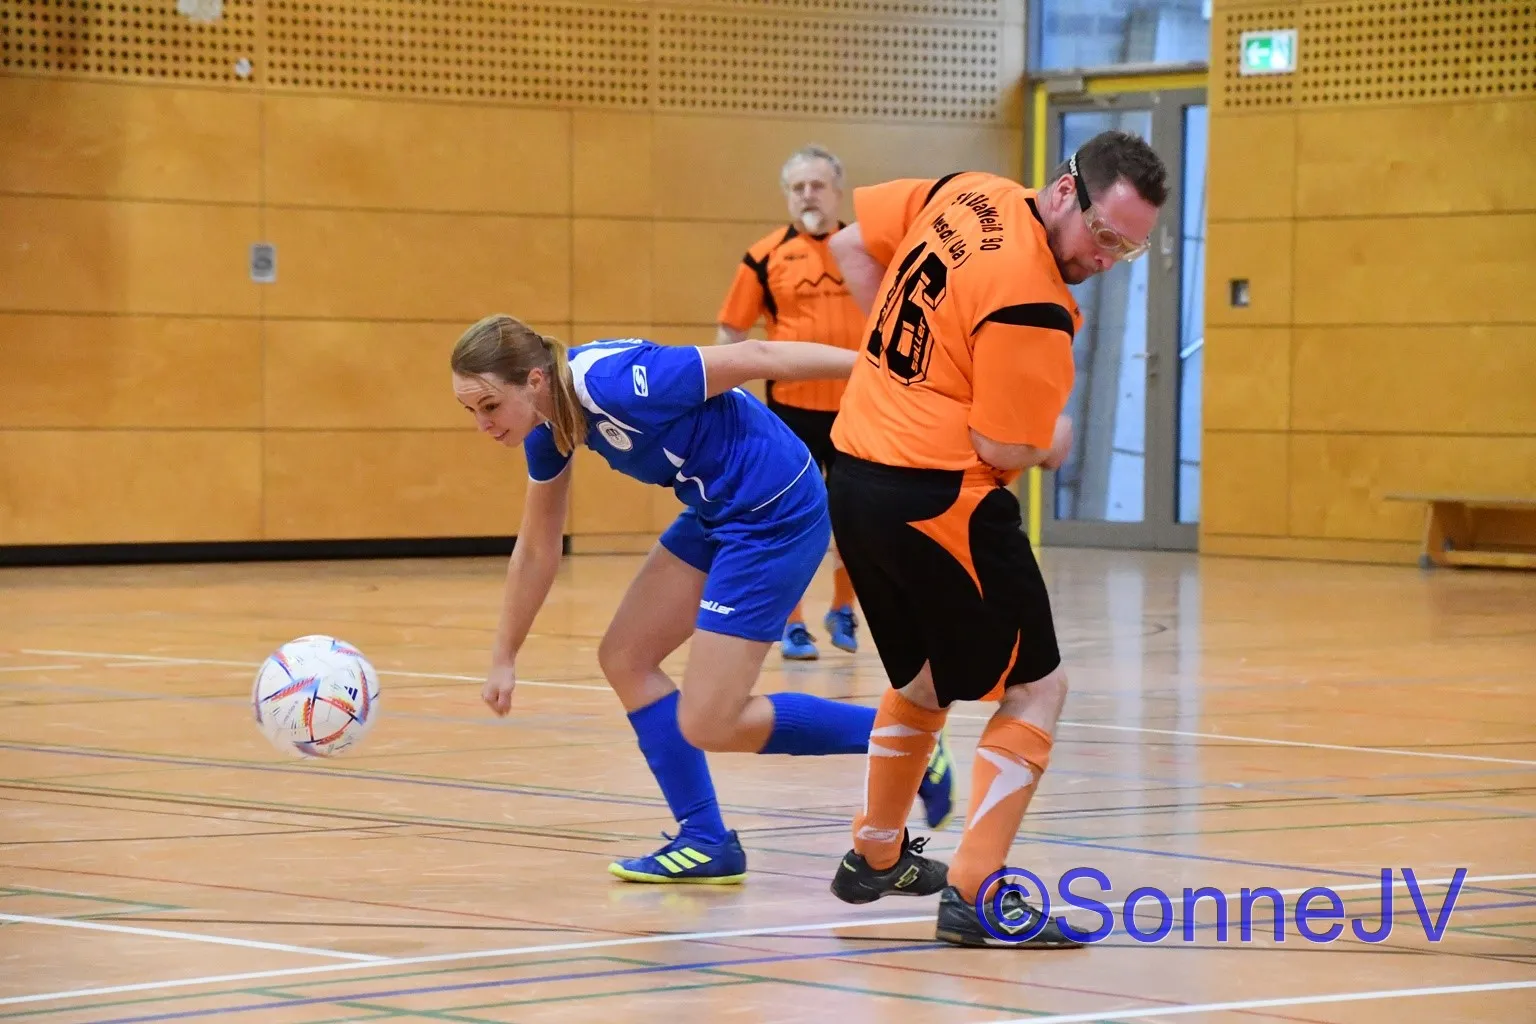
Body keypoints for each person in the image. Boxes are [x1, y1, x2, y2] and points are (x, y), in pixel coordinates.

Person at [451, 316, 955, 884]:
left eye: (489, 406)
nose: (483, 424)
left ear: (535, 379)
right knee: (625, 658)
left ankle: (905, 740)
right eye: (471, 411)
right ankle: (705, 839)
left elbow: (759, 356)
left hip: (774, 514)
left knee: (711, 720)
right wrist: (504, 656)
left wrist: (881, 374)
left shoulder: (619, 381)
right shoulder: (549, 426)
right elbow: (537, 549)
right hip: (718, 510)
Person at [820, 131, 1170, 946]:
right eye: (1104, 235)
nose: (1106, 258)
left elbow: (850, 243)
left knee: (925, 679)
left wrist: (906, 372)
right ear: (1065, 191)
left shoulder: (967, 191)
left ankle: (875, 852)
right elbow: (1006, 445)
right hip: (944, 500)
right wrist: (1058, 438)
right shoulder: (1032, 299)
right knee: (1038, 687)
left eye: (1128, 250)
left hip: (857, 476)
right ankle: (977, 894)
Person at [716, 145, 865, 662]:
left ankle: (843, 609)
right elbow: (732, 330)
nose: (808, 195)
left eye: (817, 185)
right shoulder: (763, 257)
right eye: (798, 187)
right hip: (789, 411)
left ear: (838, 192)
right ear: (786, 195)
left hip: (858, 409)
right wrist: (727, 395)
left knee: (854, 517)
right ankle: (792, 621)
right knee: (790, 517)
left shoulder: (867, 250)